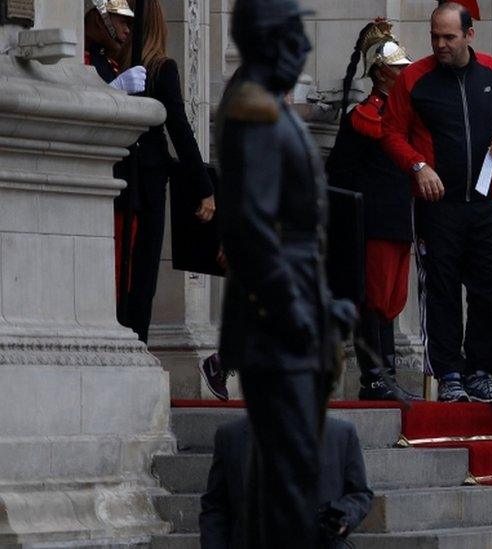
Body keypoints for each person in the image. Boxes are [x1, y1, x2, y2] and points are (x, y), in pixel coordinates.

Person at [215, 0, 330, 544]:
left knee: (292, 474)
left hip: (297, 306)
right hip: (274, 321)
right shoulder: (253, 109)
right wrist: (292, 308)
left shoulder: (269, 107)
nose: (305, 47)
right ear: (268, 39)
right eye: (294, 34)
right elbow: (253, 229)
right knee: (289, 479)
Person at [381, 2, 492, 403]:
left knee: (490, 289)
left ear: (469, 35)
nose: (441, 45)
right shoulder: (414, 78)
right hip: (437, 204)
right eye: (435, 37)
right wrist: (418, 166)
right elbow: (390, 131)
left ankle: (480, 373)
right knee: (441, 290)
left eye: (449, 37)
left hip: (487, 200)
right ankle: (449, 375)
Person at [325, 20, 421, 402]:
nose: (406, 72)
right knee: (374, 301)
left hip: (399, 219)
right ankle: (375, 379)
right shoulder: (365, 115)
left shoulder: (406, 114)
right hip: (374, 221)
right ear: (382, 73)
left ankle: (389, 376)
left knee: (392, 302)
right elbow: (341, 174)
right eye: (400, 67)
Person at [118, 0, 216, 343]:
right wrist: (205, 188)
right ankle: (137, 339)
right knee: (139, 270)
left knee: (133, 270)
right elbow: (180, 129)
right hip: (142, 182)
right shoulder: (155, 68)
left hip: (133, 177)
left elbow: (178, 129)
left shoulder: (138, 68)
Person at [199, 416, 373, 548]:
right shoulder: (231, 435)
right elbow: (215, 507)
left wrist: (340, 516)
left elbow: (359, 494)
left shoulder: (340, 433)